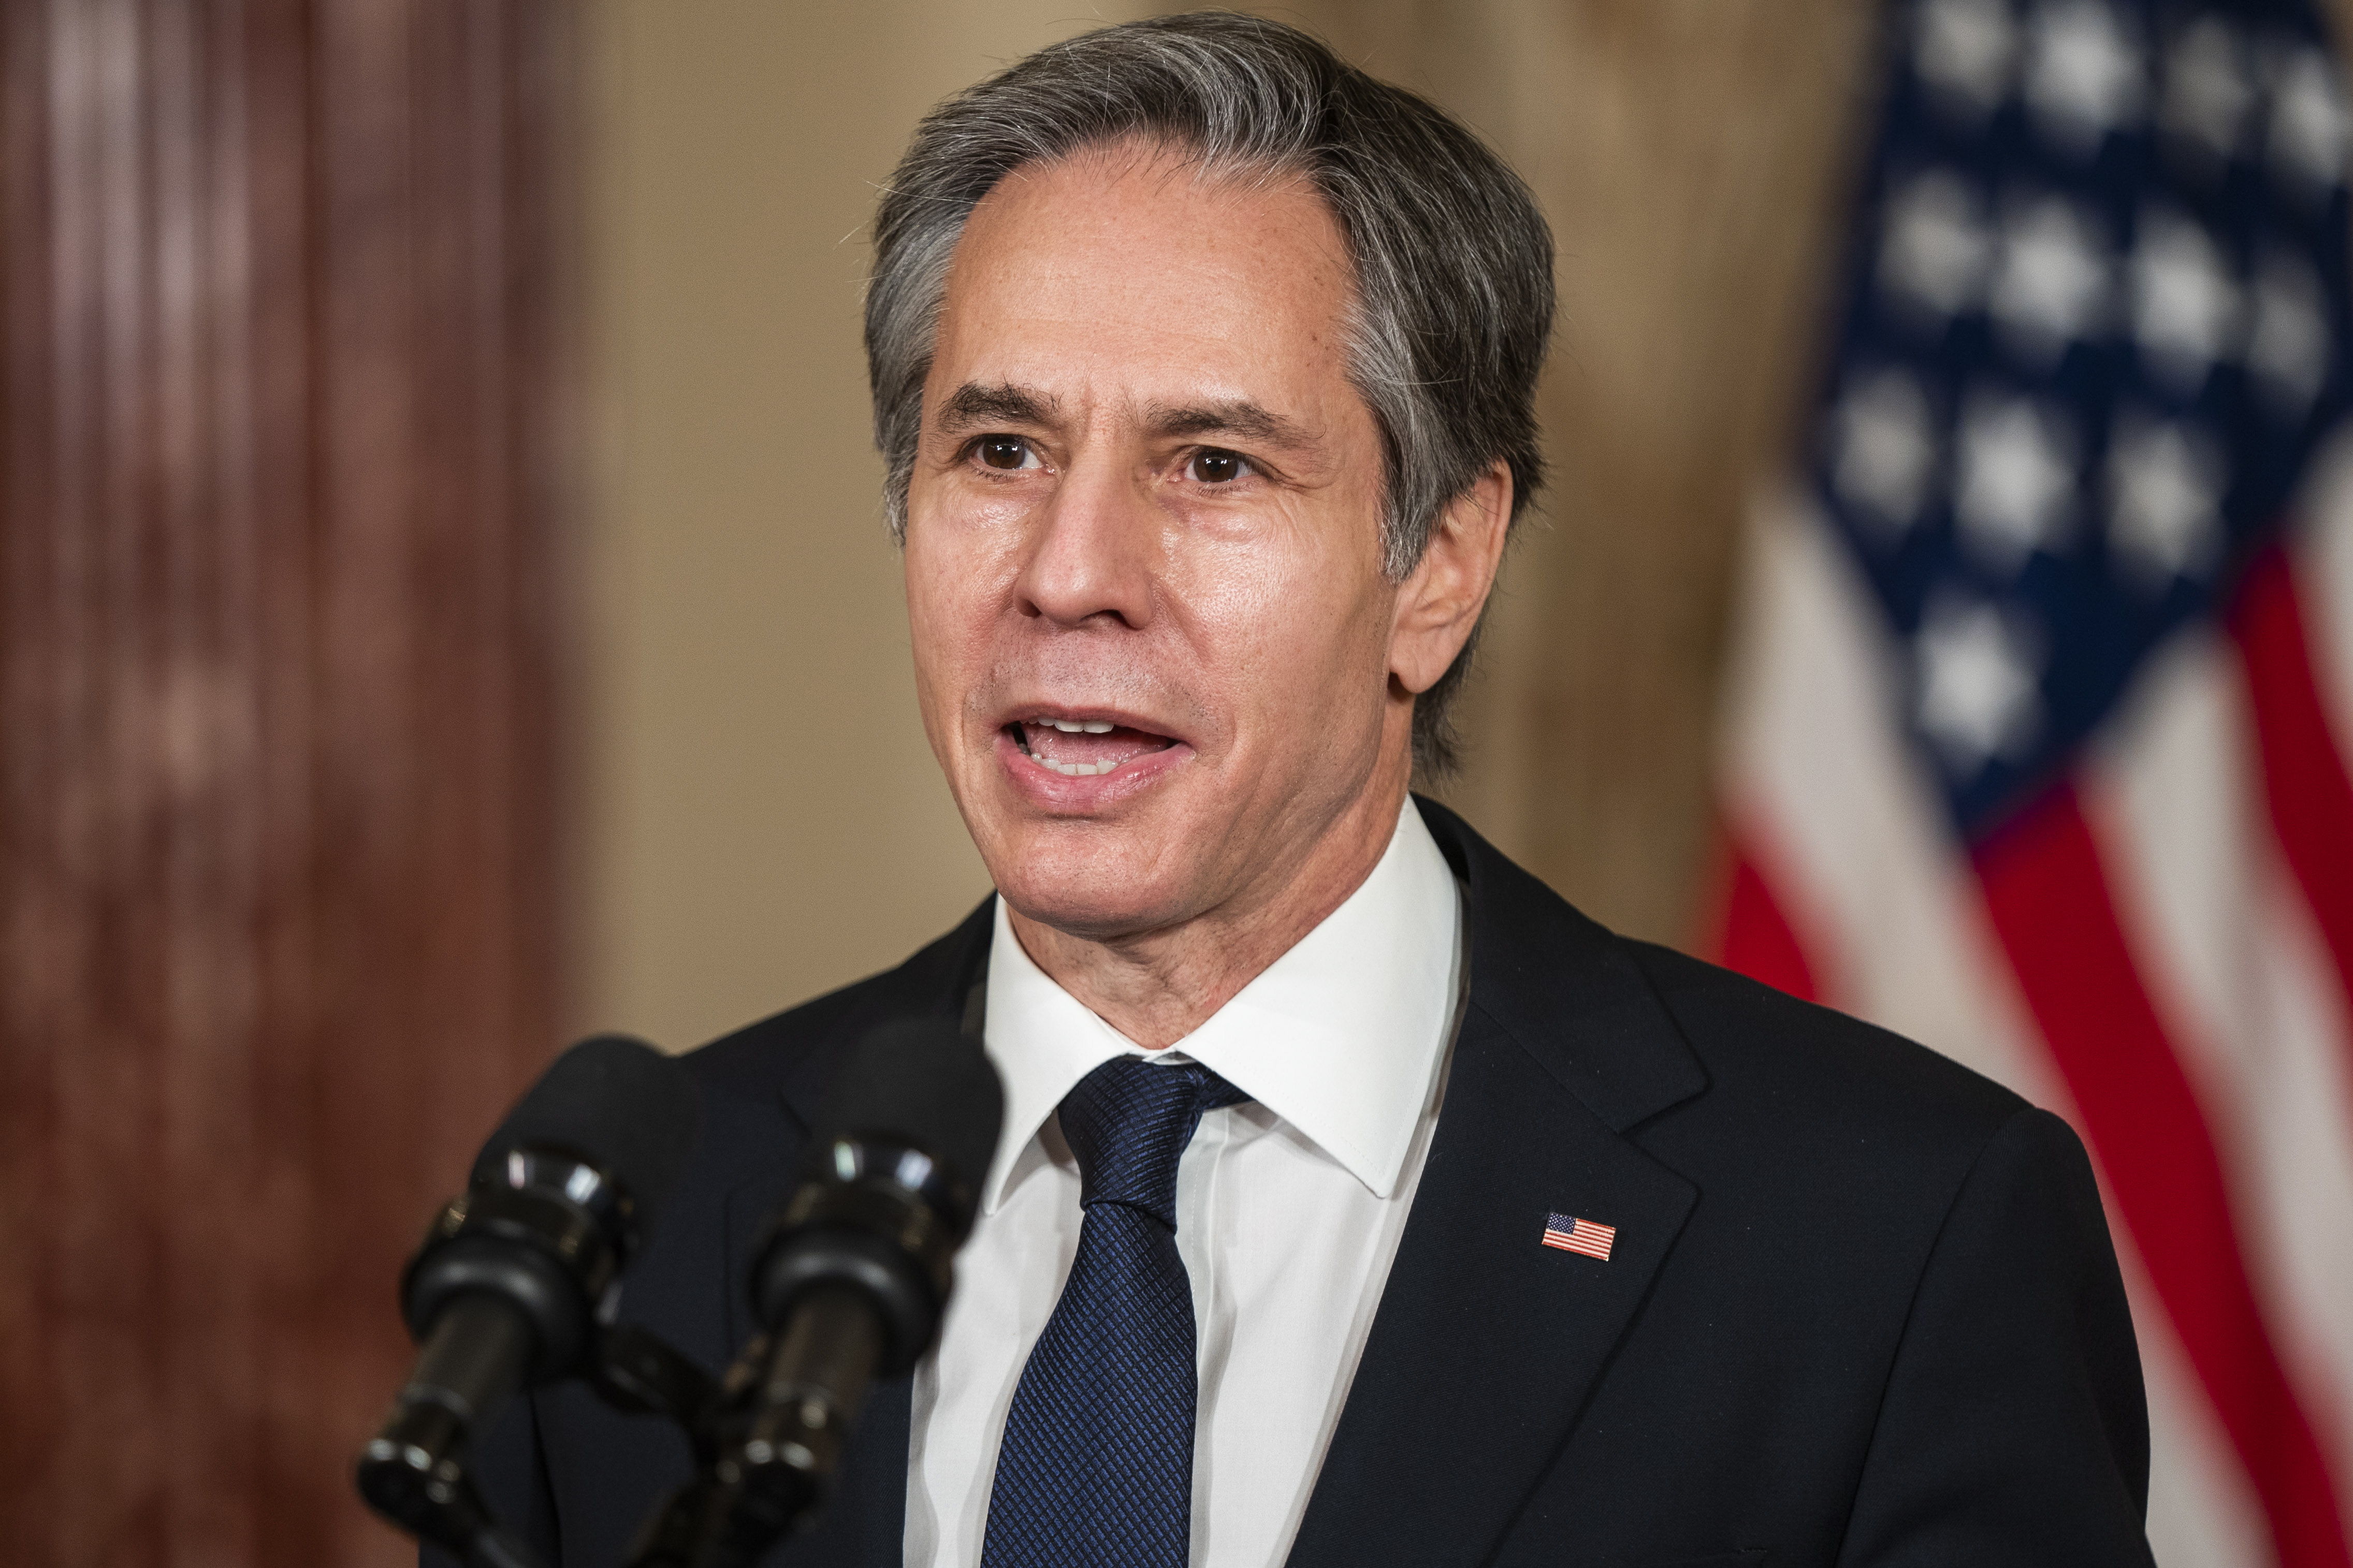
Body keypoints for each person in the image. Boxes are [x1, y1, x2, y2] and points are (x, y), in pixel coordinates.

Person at [447, 14, 2154, 1567]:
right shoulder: (630, 1240)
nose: (1071, 574)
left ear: (1440, 567)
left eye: (1211, 464)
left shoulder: (1890, 1241)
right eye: (1002, 451)